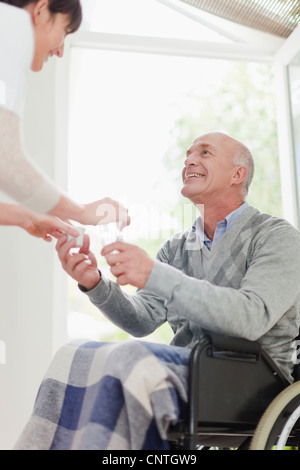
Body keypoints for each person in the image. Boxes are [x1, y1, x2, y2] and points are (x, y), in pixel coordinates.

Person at [15, 132, 300, 450]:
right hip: (190, 369)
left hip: (251, 378)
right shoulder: (177, 248)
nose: (189, 159)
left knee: (131, 361)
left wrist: (155, 274)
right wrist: (94, 283)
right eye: (188, 154)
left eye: (205, 153)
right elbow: (141, 320)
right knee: (73, 354)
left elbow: (251, 317)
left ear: (238, 174)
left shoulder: (276, 237)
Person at [0, 0, 129, 235]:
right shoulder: (11, 25)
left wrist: (26, 217)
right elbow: (6, 161)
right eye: (65, 31)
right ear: (41, 9)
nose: (60, 50)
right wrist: (81, 212)